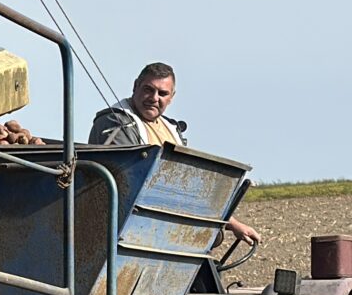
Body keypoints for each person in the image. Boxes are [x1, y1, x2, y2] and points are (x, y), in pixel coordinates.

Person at [90, 63, 260, 250]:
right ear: (135, 86)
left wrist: (232, 223)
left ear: (171, 97)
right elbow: (130, 181)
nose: (154, 98)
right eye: (148, 89)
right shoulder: (116, 122)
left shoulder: (171, 129)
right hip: (125, 226)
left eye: (162, 93)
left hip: (161, 222)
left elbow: (188, 184)